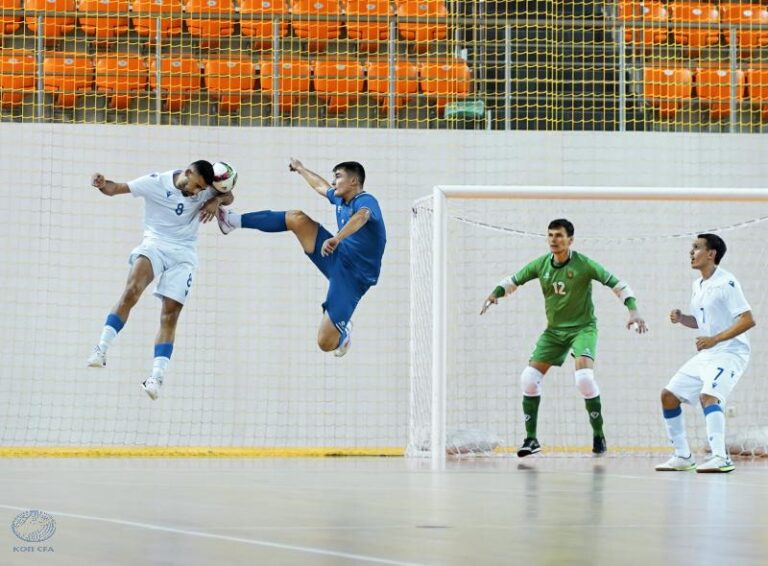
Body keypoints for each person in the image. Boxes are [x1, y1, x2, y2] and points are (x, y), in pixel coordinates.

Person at [481, 218, 647, 457]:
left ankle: (598, 435)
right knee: (528, 378)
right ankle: (531, 439)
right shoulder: (541, 264)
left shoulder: (585, 264)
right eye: (550, 235)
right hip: (554, 332)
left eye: (559, 236)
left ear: (570, 240)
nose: (553, 240)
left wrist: (633, 311)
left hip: (583, 329)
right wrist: (495, 293)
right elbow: (513, 280)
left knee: (584, 379)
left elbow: (619, 285)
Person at [87, 161, 234, 399]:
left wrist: (216, 200)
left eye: (202, 190)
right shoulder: (155, 183)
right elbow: (116, 188)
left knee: (170, 315)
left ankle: (156, 377)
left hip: (184, 254)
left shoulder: (206, 188)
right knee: (132, 290)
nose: (197, 193)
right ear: (187, 173)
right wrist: (102, 184)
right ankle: (101, 348)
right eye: (196, 186)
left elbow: (229, 196)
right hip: (155, 244)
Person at [216, 158, 386, 357]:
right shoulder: (341, 199)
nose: (333, 182)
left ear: (354, 181)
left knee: (324, 342)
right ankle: (232, 221)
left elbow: (361, 217)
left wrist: (337, 238)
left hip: (353, 278)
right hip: (336, 255)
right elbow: (320, 186)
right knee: (297, 218)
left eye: (338, 177)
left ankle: (343, 335)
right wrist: (301, 169)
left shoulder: (366, 200)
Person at [656, 234, 755, 473]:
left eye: (696, 248)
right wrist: (682, 319)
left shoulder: (727, 282)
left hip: (731, 351)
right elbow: (702, 323)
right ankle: (682, 456)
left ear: (711, 254)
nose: (691, 252)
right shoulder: (697, 285)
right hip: (709, 353)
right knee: (668, 396)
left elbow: (748, 320)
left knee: (708, 396)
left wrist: (715, 339)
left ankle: (721, 458)